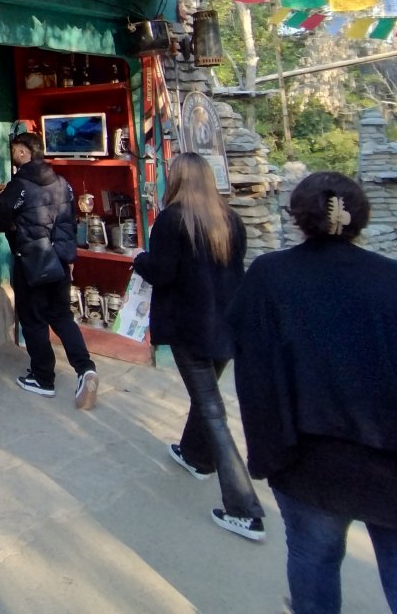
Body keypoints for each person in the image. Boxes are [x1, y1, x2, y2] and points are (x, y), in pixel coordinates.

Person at [229, 172, 397, 614]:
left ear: (297, 218)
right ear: (360, 218)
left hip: (309, 463)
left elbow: (253, 365)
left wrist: (271, 449)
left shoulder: (271, 278)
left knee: (313, 560)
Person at [133, 152, 264, 542]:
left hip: (191, 326)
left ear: (177, 179)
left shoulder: (173, 220)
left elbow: (162, 271)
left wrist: (139, 260)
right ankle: (195, 455)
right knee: (205, 400)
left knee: (211, 409)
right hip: (227, 327)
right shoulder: (230, 219)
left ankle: (244, 509)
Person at [0, 131, 98, 409]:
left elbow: (1, 217)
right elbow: (70, 223)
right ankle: (85, 368)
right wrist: (69, 257)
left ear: (25, 153)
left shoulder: (20, 185)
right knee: (62, 316)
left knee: (34, 320)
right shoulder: (63, 184)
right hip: (61, 262)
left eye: (16, 150)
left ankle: (43, 378)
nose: (14, 155)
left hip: (32, 262)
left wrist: (12, 224)